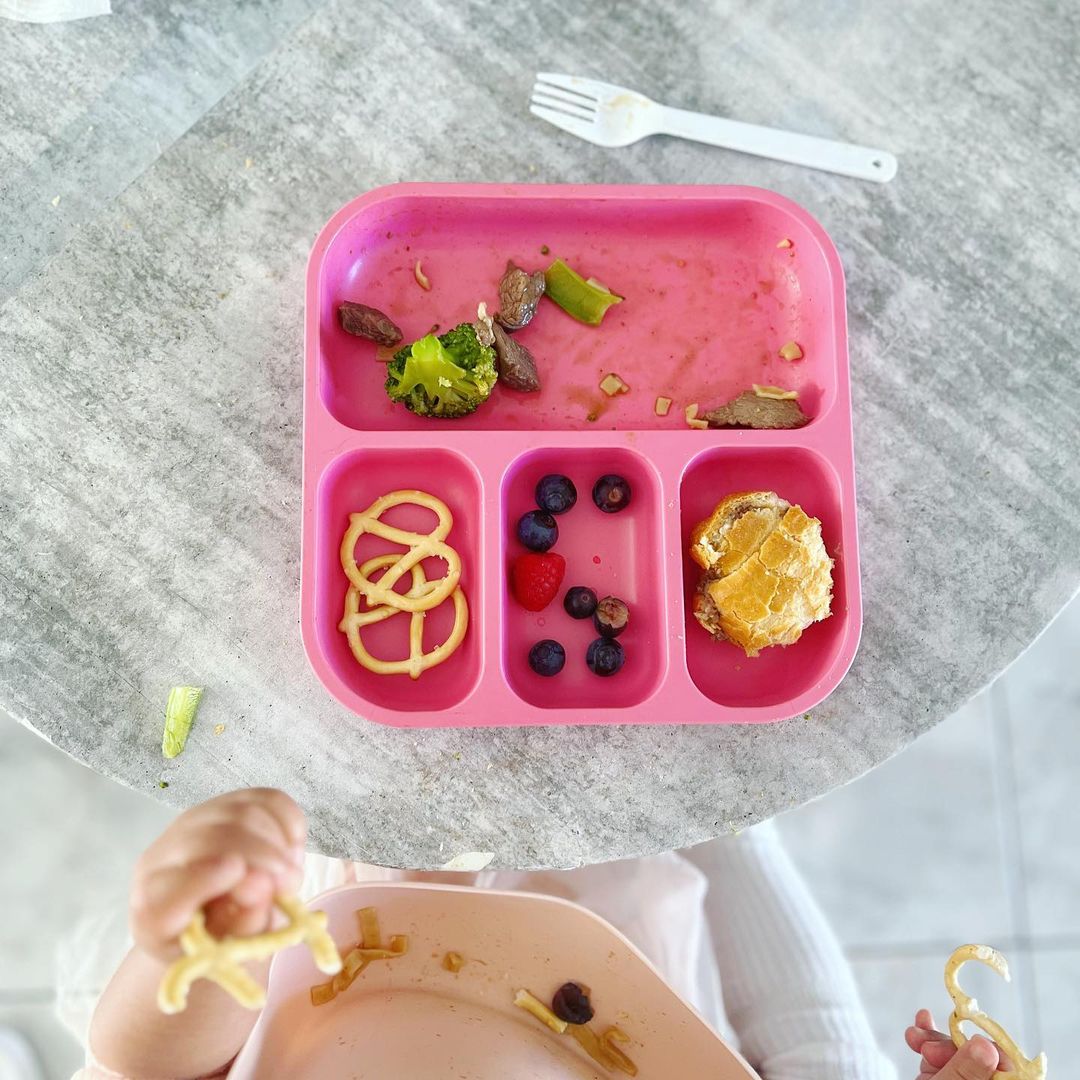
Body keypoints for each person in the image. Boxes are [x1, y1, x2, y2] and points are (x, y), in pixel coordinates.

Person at [74, 788, 997, 1080]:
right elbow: (803, 1028)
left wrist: (197, 947)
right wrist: (726, 812)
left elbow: (140, 1067)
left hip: (333, 912)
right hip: (640, 933)